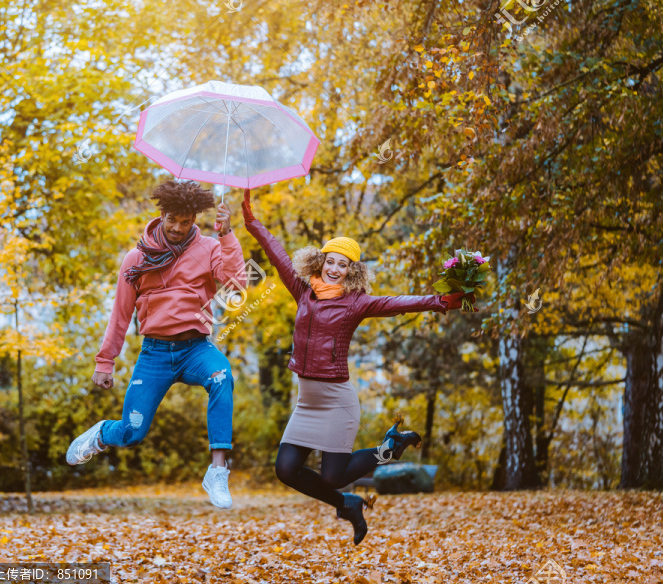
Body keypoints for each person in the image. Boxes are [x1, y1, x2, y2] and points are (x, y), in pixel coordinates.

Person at [241, 189, 476, 544]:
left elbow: (398, 303)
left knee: (333, 474)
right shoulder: (302, 289)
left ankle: (390, 447)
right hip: (307, 402)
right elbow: (276, 253)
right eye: (330, 261)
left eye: (343, 264)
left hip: (336, 399)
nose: (335, 268)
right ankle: (348, 504)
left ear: (352, 270)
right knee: (285, 469)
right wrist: (252, 222)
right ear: (321, 262)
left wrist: (440, 301)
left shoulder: (357, 303)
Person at [66, 180, 247, 509]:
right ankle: (103, 433)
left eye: (186, 221)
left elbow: (237, 283)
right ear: (161, 214)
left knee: (222, 375)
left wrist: (227, 234)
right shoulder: (136, 258)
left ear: (195, 219)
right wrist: (105, 362)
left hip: (196, 348)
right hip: (155, 354)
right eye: (172, 220)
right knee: (132, 432)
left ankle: (217, 470)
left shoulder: (209, 248)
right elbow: (120, 315)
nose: (178, 228)